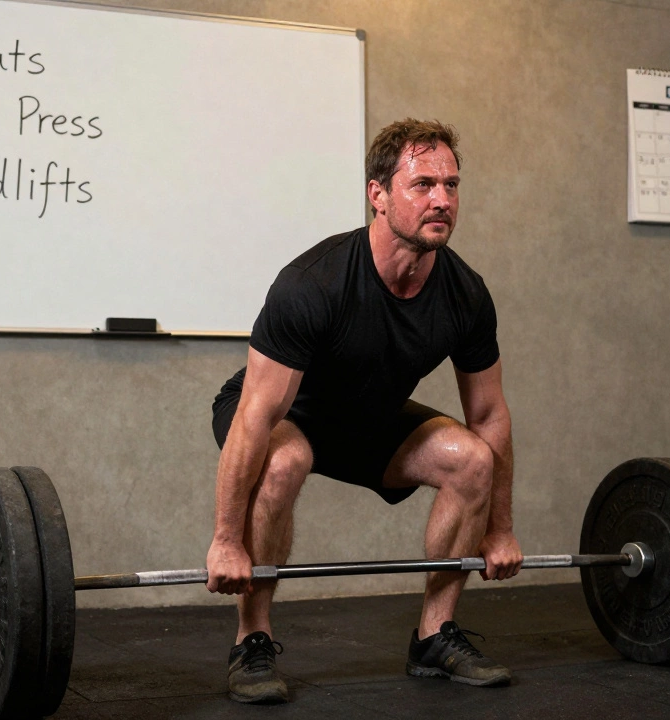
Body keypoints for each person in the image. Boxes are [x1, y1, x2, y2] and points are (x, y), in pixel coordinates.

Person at [206, 119, 522, 704]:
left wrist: (500, 528)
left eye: (451, 186)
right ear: (378, 194)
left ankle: (435, 637)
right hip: (284, 414)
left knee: (471, 460)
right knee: (283, 462)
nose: (442, 200)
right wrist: (227, 539)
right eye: (423, 184)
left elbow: (489, 415)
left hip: (368, 419)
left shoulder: (465, 293)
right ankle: (252, 640)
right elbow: (255, 415)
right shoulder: (313, 283)